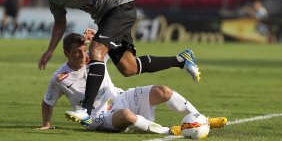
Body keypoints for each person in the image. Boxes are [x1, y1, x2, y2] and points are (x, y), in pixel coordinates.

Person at [37, 0, 201, 119]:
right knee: (129, 68)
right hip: (105, 19)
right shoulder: (55, 0)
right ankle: (182, 60)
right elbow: (59, 23)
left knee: (95, 49)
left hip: (120, 7)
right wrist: (50, 50)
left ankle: (86, 110)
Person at [39, 31, 227, 135]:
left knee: (163, 91)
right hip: (98, 117)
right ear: (66, 54)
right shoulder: (60, 78)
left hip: (121, 97)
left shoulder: (95, 57)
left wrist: (97, 35)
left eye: (84, 50)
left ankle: (202, 119)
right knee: (128, 116)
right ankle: (167, 131)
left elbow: (112, 46)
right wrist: (47, 123)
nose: (82, 55)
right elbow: (48, 102)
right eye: (76, 53)